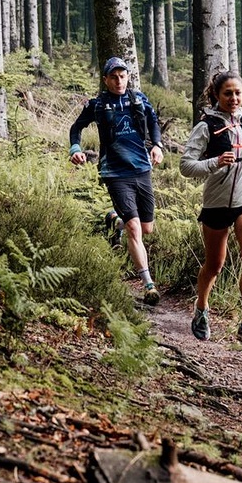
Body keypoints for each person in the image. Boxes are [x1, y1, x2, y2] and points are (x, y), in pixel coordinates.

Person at [180, 71, 242, 349]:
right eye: (228, 94)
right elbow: (186, 166)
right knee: (215, 265)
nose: (234, 99)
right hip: (217, 201)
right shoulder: (206, 126)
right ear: (216, 95)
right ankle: (201, 308)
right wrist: (214, 162)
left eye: (237, 93)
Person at [69, 57, 165, 306]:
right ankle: (148, 285)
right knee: (135, 229)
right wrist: (75, 148)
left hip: (142, 169)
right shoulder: (97, 104)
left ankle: (115, 222)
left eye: (122, 76)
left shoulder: (138, 99)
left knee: (146, 228)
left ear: (127, 77)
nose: (119, 81)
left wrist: (157, 145)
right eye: (114, 77)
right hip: (115, 172)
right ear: (105, 80)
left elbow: (154, 122)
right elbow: (76, 127)